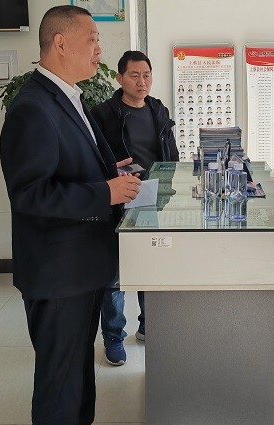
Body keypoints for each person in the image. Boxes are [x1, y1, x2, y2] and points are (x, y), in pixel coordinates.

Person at [0, 5, 141, 425]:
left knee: (79, 363)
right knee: (58, 376)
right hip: (57, 271)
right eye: (92, 40)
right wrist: (104, 192)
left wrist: (110, 173)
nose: (100, 50)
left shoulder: (69, 97)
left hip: (82, 264)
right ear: (60, 43)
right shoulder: (32, 107)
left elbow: (70, 166)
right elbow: (30, 194)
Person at [91, 50, 179, 366]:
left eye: (146, 75)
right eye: (134, 75)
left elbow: (171, 153)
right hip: (118, 201)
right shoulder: (103, 114)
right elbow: (94, 160)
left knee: (150, 267)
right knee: (115, 276)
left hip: (153, 199)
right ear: (120, 78)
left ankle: (147, 325)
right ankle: (114, 337)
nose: (142, 82)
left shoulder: (158, 110)